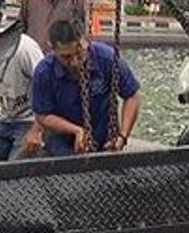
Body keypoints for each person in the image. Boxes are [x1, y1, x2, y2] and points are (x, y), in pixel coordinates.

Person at [31, 19, 140, 156]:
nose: (75, 62)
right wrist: (76, 130)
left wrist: (123, 136)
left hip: (104, 138)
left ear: (86, 42)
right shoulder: (44, 72)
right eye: (66, 57)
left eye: (79, 53)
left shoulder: (107, 58)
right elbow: (43, 115)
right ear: (52, 49)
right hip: (61, 142)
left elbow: (132, 96)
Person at [0, 22, 44, 161]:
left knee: (15, 170)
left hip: (30, 119)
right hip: (5, 119)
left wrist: (37, 130)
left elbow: (47, 88)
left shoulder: (24, 49)